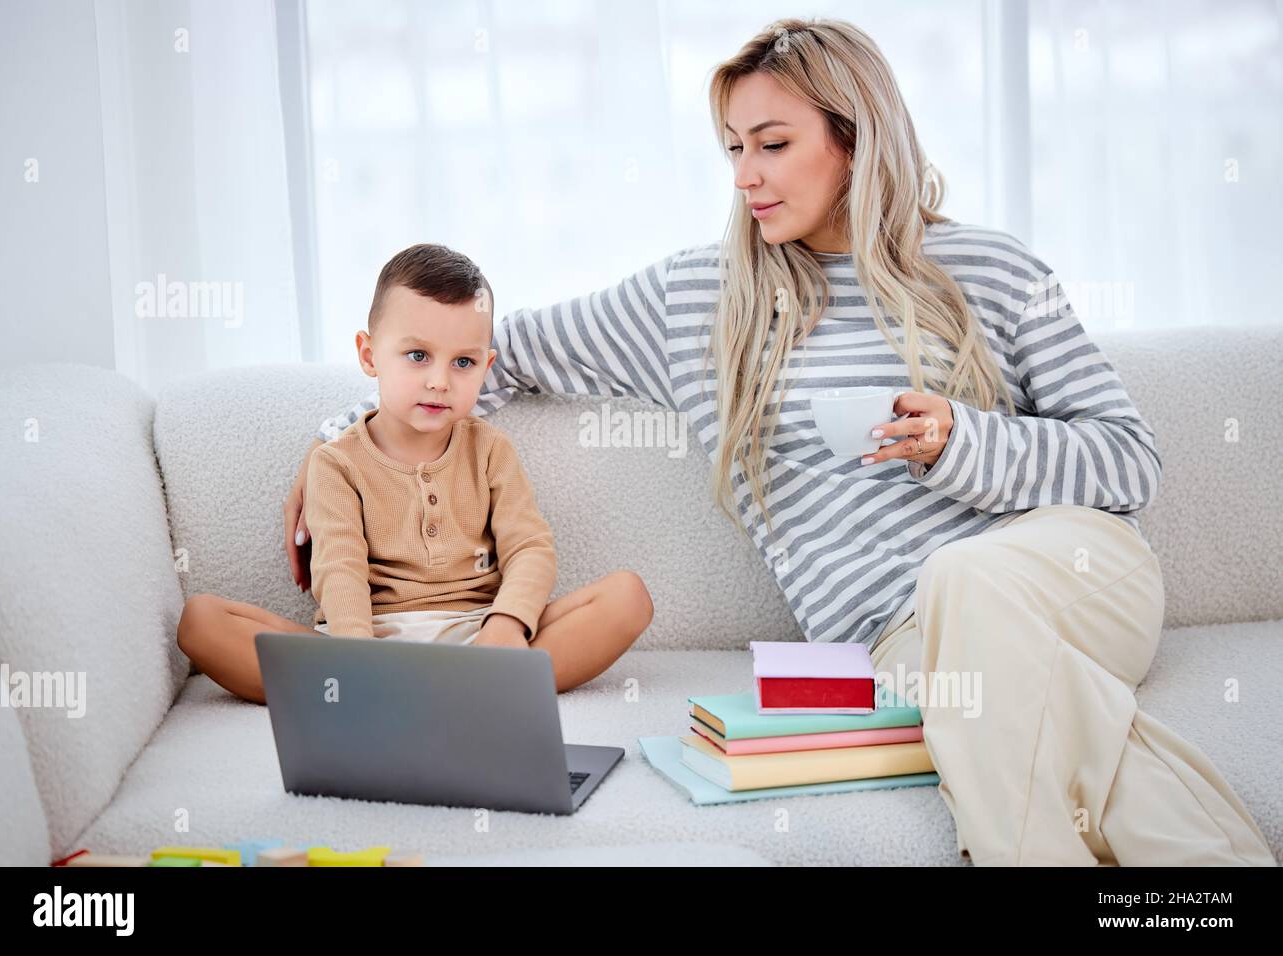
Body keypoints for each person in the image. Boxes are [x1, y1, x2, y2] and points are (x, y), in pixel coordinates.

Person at [284, 18, 1275, 866]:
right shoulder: (694, 298)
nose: (745, 177)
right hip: (903, 643)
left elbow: (1125, 458)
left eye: (771, 143)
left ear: (854, 138)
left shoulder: (989, 268)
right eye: (731, 149)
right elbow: (481, 356)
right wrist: (344, 441)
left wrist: (962, 440)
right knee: (1045, 697)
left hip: (1072, 573)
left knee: (966, 580)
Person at [178, 244, 653, 703]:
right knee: (202, 622)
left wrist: (507, 624)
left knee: (628, 598)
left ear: (486, 367)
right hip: (361, 644)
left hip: (480, 639)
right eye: (418, 356)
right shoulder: (336, 463)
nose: (439, 381)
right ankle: (379, 687)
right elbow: (339, 568)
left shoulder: (490, 450)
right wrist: (356, 653)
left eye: (463, 362)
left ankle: (448, 689)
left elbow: (529, 547)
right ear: (369, 355)